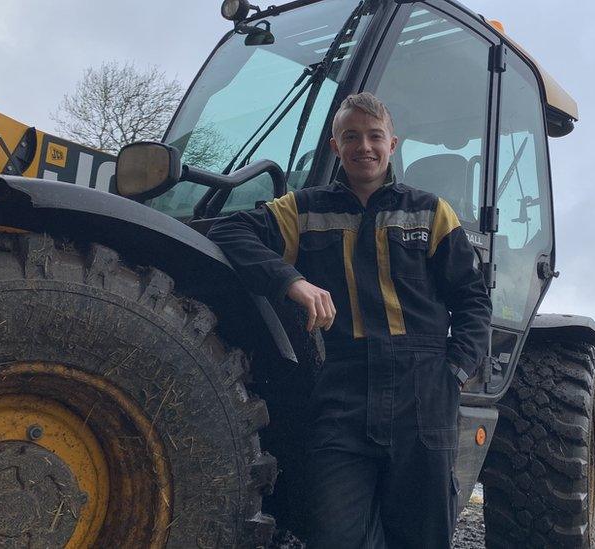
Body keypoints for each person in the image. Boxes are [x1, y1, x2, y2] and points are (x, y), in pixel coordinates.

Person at [208, 92, 491, 548]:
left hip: (423, 389)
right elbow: (228, 230)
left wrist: (453, 372)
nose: (365, 146)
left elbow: (473, 301)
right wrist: (292, 282)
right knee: (332, 532)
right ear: (336, 147)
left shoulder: (431, 212)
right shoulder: (304, 209)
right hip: (342, 385)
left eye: (375, 136)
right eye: (352, 136)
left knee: (421, 535)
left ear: (392, 144)